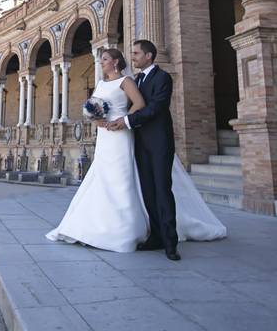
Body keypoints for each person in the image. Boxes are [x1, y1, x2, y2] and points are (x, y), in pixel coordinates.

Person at [46, 43, 227, 258]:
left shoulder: (159, 78)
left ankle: (170, 243)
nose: (133, 57)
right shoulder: (137, 79)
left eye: (136, 53)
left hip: (152, 139)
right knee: (145, 190)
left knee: (160, 189)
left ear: (148, 56)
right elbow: (103, 105)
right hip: (125, 138)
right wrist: (96, 118)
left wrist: (125, 120)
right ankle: (153, 235)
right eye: (131, 54)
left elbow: (151, 106)